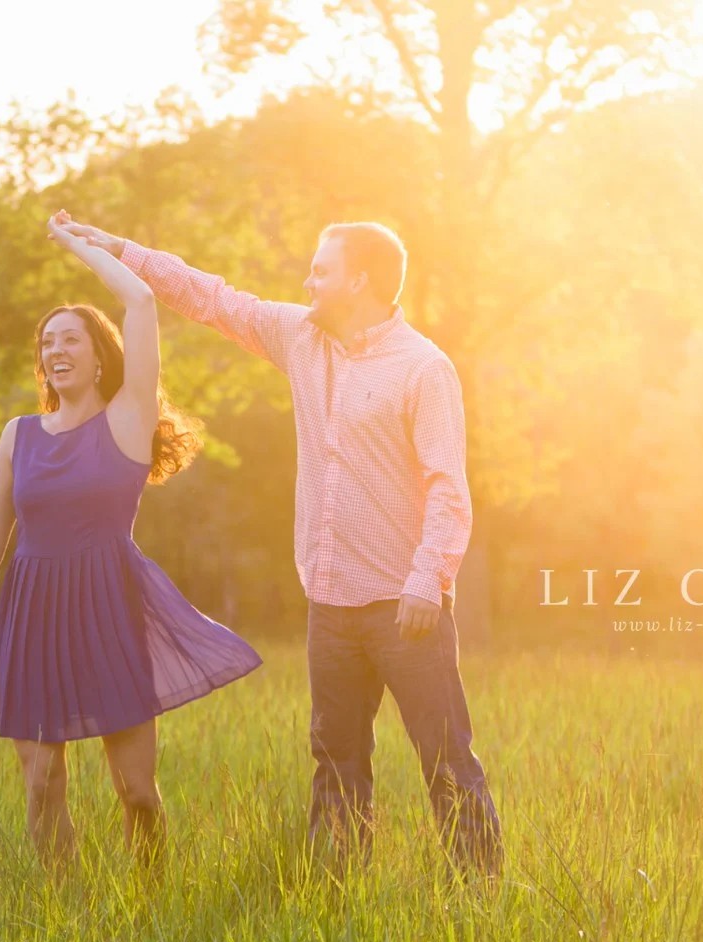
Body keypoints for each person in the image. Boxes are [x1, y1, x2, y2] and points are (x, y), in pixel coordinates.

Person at [53, 214, 502, 875]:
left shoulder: (423, 368)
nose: (308, 280)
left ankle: (482, 897)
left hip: (406, 607)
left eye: (321, 270)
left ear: (359, 280)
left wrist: (425, 580)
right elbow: (209, 295)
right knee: (335, 759)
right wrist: (115, 248)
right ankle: (334, 895)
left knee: (446, 759)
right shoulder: (299, 337)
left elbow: (447, 486)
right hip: (331, 602)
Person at [0, 211, 262, 866]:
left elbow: (138, 298)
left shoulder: (128, 420)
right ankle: (66, 917)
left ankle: (149, 902)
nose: (55, 350)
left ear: (99, 351)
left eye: (71, 338)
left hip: (109, 608)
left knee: (136, 790)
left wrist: (76, 244)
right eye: (47, 341)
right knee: (42, 782)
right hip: (32, 613)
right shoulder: (17, 436)